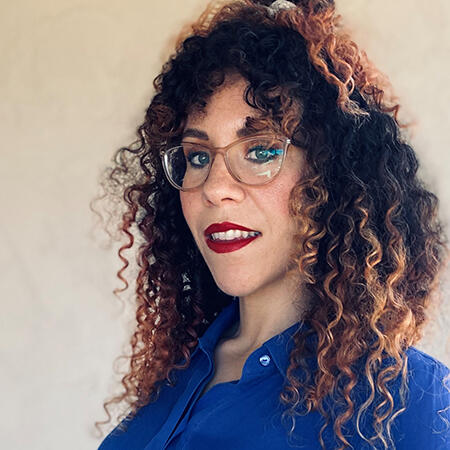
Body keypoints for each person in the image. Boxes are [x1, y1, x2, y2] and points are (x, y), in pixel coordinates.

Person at [95, 0, 450, 448]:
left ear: (333, 175)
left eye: (260, 150)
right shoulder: (173, 382)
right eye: (198, 157)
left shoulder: (410, 408)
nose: (214, 188)